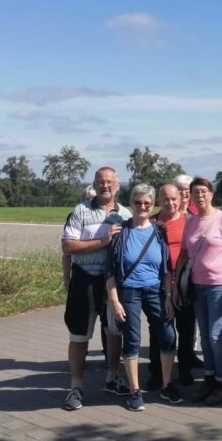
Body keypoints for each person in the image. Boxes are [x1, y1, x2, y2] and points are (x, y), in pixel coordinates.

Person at [61, 167, 131, 411]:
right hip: (85, 279)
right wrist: (101, 242)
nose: (105, 185)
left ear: (118, 185)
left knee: (114, 331)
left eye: (110, 182)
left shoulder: (125, 213)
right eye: (101, 182)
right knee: (79, 335)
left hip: (112, 281)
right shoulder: (80, 212)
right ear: (95, 184)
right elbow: (68, 245)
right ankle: (76, 387)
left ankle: (112, 378)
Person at [106, 184, 180, 411]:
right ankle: (134, 390)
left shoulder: (159, 232)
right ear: (131, 204)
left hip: (156, 290)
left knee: (168, 335)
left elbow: (166, 269)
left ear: (153, 205)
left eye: (147, 203)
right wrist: (115, 301)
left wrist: (168, 296)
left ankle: (167, 384)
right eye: (138, 203)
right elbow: (110, 272)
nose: (142, 206)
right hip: (129, 291)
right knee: (132, 339)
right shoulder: (121, 232)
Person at [175, 178, 222, 405]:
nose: (199, 196)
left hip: (218, 285)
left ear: (211, 194)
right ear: (190, 196)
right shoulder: (191, 222)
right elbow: (184, 253)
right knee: (204, 336)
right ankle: (210, 379)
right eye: (195, 192)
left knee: (215, 335)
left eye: (203, 191)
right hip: (197, 285)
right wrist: (176, 284)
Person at [148, 183, 202, 388]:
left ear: (181, 200)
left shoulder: (190, 221)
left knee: (186, 329)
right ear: (158, 201)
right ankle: (156, 373)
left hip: (184, 283)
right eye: (165, 199)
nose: (170, 203)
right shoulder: (151, 222)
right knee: (159, 329)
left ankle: (185, 369)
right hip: (157, 284)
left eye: (174, 199)